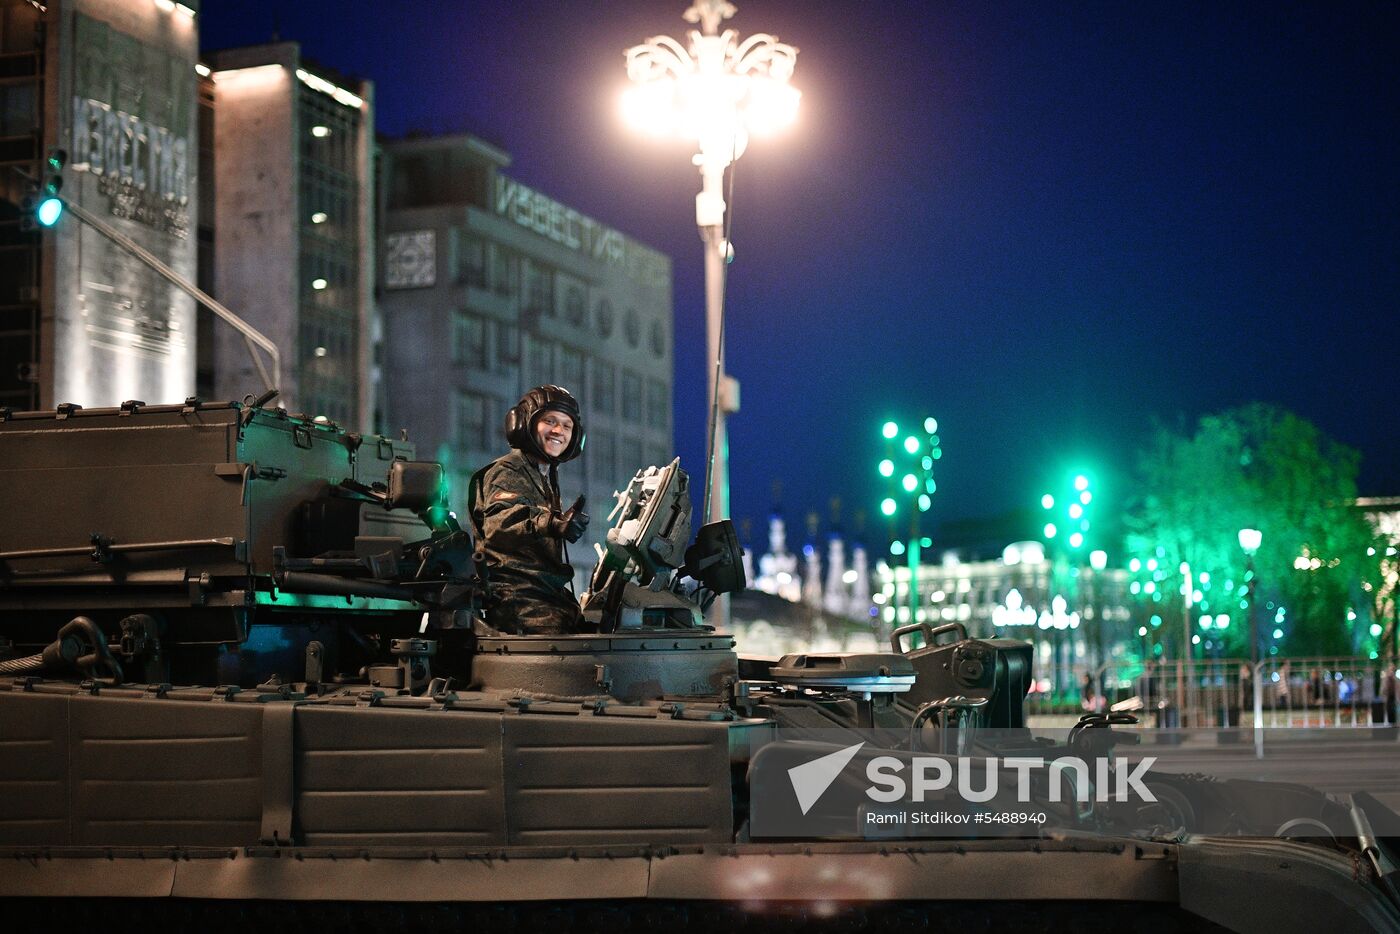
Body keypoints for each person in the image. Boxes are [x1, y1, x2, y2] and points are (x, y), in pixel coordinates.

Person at [469, 386, 590, 635]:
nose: (559, 431)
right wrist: (551, 523)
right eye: (550, 421)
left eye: (567, 426)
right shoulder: (509, 470)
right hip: (520, 601)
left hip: (545, 595)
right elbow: (498, 523)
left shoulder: (544, 476)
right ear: (524, 424)